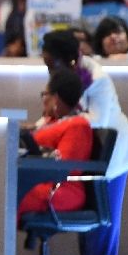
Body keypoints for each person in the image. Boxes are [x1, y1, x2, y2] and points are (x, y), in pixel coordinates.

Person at [41, 30, 128, 255]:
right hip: (88, 158)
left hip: (112, 157)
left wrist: (57, 126)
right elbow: (55, 112)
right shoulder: (61, 77)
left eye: (51, 64)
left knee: (104, 226)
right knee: (89, 230)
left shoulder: (97, 79)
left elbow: (97, 119)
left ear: (70, 60)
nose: (49, 71)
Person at [17, 68, 93, 218]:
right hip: (35, 182)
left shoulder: (77, 125)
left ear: (55, 98)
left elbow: (64, 167)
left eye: (44, 94)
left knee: (7, 196)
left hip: (60, 188)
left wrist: (36, 155)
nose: (43, 100)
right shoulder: (50, 121)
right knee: (0, 190)